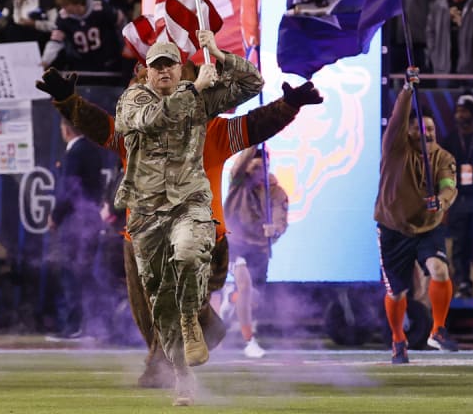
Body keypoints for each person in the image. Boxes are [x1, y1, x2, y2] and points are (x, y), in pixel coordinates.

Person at [39, 62, 321, 389]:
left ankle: (166, 361)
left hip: (198, 237)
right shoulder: (134, 134)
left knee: (170, 302)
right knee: (145, 313)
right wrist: (68, 101)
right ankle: (186, 340)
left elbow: (255, 125)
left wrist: (289, 106)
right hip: (141, 237)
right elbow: (98, 125)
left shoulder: (210, 132)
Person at [114, 35, 263, 406]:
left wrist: (219, 55)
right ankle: (182, 376)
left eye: (170, 64)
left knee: (188, 254)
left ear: (180, 68)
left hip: (191, 204)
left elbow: (253, 83)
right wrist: (195, 90)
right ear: (146, 72)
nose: (163, 70)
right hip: (146, 213)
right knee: (159, 303)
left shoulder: (199, 97)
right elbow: (154, 119)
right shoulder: (133, 100)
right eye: (157, 65)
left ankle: (193, 319)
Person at [376, 68, 459, 364]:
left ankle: (438, 330)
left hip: (427, 226)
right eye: (421, 130)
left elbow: (449, 186)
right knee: (397, 292)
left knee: (439, 269)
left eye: (432, 131)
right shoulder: (394, 149)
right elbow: (398, 118)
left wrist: (442, 201)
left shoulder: (443, 157)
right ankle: (398, 339)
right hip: (392, 227)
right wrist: (407, 90)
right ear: (408, 132)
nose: (428, 135)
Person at [221, 149, 288, 359]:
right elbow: (240, 163)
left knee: (253, 298)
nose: (260, 171)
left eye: (264, 167)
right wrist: (253, 141)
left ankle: (231, 298)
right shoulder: (238, 182)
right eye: (256, 167)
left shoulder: (276, 191)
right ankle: (249, 341)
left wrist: (275, 229)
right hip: (235, 243)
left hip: (259, 248)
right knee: (245, 286)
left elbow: (281, 217)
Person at [47, 119, 107, 340]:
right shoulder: (93, 150)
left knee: (71, 272)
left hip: (76, 222)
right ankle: (94, 326)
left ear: (65, 130)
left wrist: (55, 215)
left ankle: (74, 326)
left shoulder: (75, 152)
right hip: (90, 218)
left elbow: (69, 189)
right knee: (86, 273)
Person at [440, 93, 473, 298]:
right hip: (458, 200)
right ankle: (463, 284)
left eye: (465, 111)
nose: (461, 115)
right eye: (458, 111)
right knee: (460, 244)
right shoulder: (450, 140)